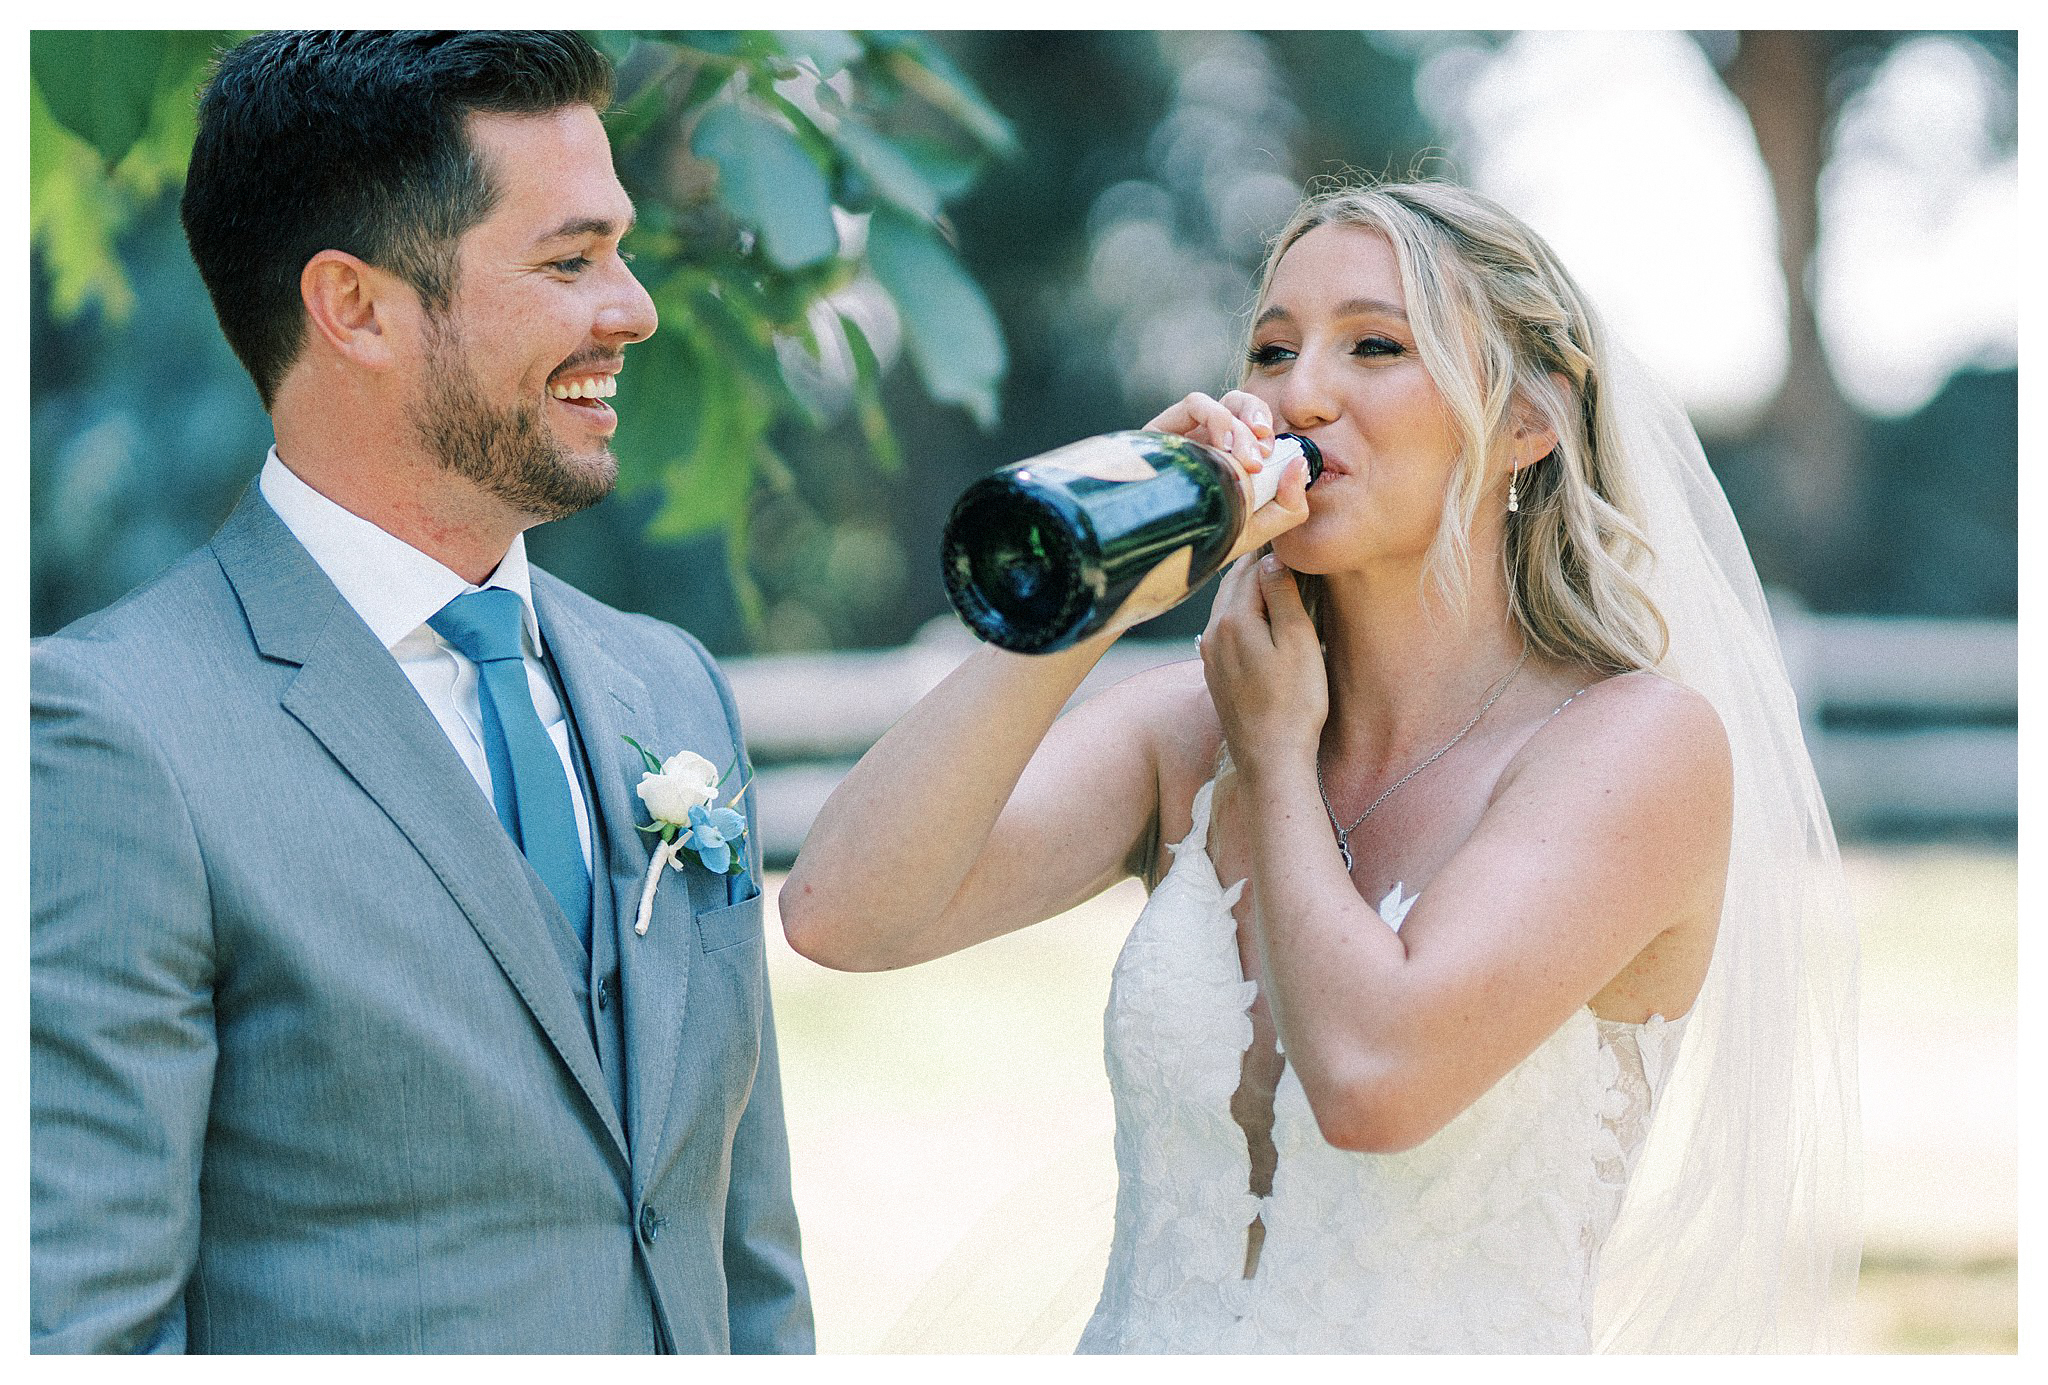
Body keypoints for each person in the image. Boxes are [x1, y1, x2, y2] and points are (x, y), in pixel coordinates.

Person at [781, 180, 1860, 1351]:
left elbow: (1373, 1083)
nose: (1297, 393)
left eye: (1375, 345)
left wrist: (1278, 761)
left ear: (1526, 424)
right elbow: (842, 912)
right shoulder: (1189, 725)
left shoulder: (1633, 745)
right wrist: (1097, 571)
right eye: (1271, 347)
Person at [31, 31, 811, 1353]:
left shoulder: (669, 689)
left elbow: (747, 1256)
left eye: (619, 249)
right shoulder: (114, 739)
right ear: (358, 309)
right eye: (570, 261)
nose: (635, 309)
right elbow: (81, 1337)